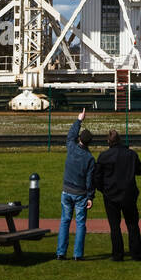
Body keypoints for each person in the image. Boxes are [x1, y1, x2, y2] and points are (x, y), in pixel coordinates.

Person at [94, 128, 141, 262]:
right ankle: (136, 254)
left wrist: (103, 189)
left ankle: (117, 254)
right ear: (120, 140)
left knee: (114, 226)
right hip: (128, 194)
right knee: (133, 224)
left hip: (111, 196)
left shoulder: (104, 156)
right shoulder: (131, 154)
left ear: (108, 142)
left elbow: (97, 177)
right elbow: (140, 170)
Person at [56, 107, 95, 261]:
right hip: (80, 193)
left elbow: (70, 135)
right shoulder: (90, 158)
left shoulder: (71, 147)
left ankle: (61, 252)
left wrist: (79, 120)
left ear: (80, 139)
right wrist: (91, 196)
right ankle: (77, 255)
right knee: (80, 224)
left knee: (65, 221)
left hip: (66, 190)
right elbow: (90, 180)